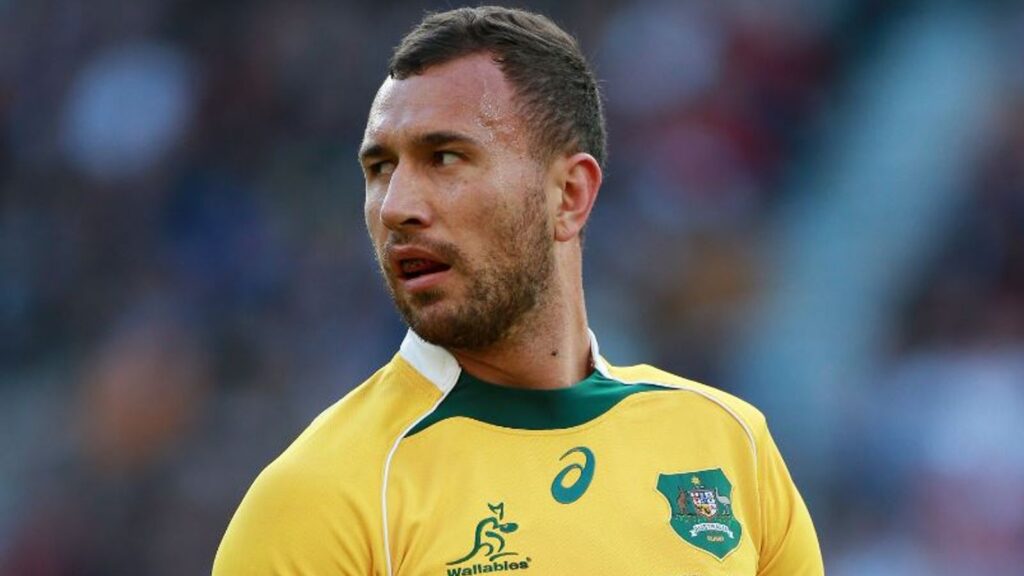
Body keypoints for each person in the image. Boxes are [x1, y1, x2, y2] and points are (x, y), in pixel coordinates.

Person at [213, 6, 823, 575]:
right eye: (380, 169)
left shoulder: (729, 444)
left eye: (445, 158)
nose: (395, 206)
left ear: (570, 195)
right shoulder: (320, 498)